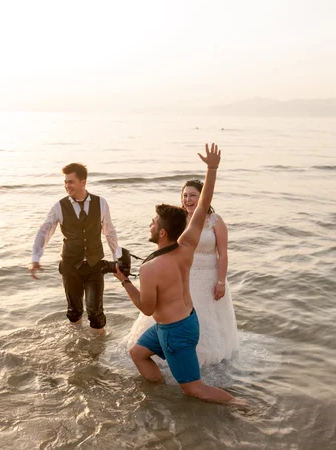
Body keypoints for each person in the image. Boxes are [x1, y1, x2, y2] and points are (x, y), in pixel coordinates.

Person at [114, 144, 248, 410]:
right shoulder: (186, 246)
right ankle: (159, 394)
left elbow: (147, 307)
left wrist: (124, 281)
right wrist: (212, 169)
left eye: (153, 223)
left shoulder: (150, 268)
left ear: (162, 233)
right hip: (182, 322)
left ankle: (241, 404)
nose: (150, 225)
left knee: (193, 388)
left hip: (176, 332)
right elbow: (203, 206)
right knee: (137, 353)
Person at [127, 179, 238, 368]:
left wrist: (220, 282)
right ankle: (167, 351)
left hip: (209, 275)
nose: (188, 199)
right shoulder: (178, 221)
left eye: (193, 195)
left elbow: (223, 253)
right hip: (185, 274)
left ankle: (201, 358)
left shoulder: (215, 221)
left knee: (206, 317)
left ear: (202, 197)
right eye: (185, 195)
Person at [29, 162, 120, 334]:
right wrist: (35, 258)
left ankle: (98, 353)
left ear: (83, 182)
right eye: (65, 182)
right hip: (71, 266)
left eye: (71, 182)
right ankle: (77, 346)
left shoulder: (101, 203)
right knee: (74, 311)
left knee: (95, 313)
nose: (67, 186)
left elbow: (109, 231)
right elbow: (44, 231)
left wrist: (118, 258)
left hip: (94, 266)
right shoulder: (59, 206)